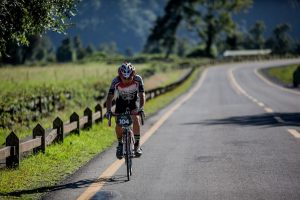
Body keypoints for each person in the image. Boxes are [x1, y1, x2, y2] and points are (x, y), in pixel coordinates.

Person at [105, 62, 145, 159]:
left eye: (129, 78)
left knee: (136, 118)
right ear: (120, 76)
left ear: (133, 75)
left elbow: (142, 95)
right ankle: (120, 144)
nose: (126, 80)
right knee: (118, 123)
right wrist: (108, 110)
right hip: (121, 103)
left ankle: (137, 145)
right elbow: (110, 97)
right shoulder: (115, 81)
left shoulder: (138, 79)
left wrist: (141, 108)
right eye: (124, 78)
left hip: (133, 102)